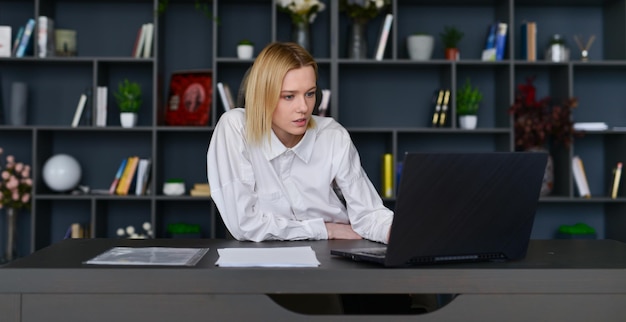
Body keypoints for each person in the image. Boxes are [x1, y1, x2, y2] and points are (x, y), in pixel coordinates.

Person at [206, 42, 393, 244]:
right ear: (262, 95)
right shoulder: (235, 128)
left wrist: (397, 231)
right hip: (266, 260)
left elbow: (369, 214)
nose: (303, 107)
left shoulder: (332, 135)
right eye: (289, 96)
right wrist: (324, 229)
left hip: (334, 253)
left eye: (310, 94)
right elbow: (245, 225)